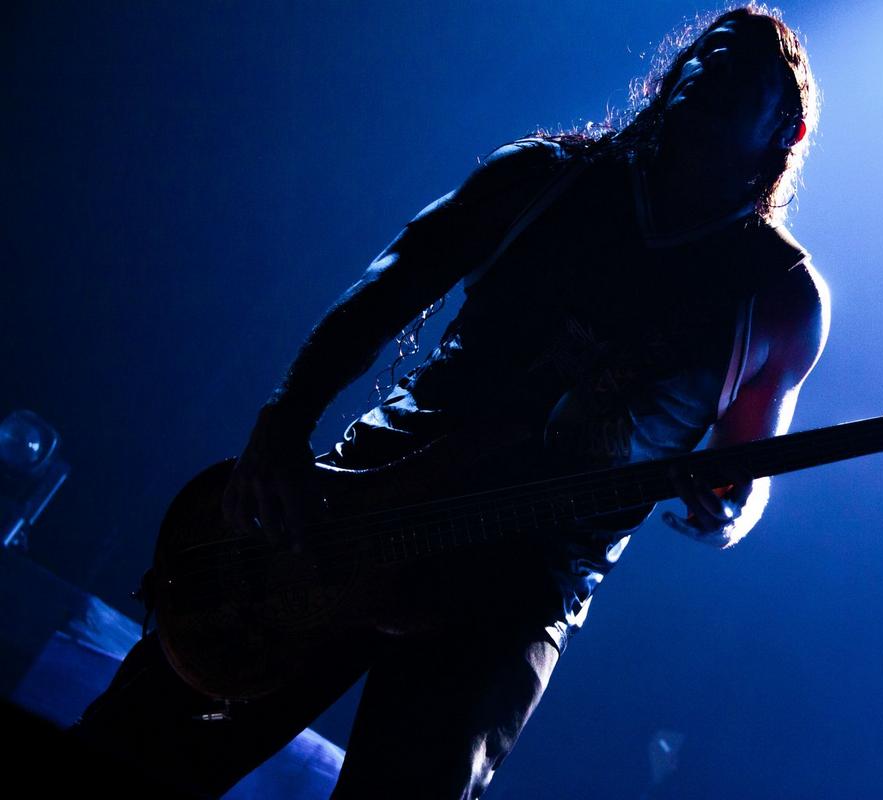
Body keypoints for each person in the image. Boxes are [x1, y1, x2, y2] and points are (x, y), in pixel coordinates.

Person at [68, 5, 828, 798]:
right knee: (148, 737)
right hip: (359, 506)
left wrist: (725, 508)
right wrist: (281, 427)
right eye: (705, 52)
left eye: (742, 70)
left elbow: (741, 479)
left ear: (790, 130)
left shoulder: (778, 297)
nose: (708, 69)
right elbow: (386, 289)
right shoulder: (544, 175)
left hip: (516, 588)